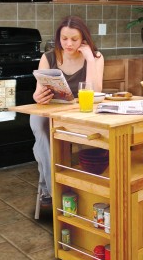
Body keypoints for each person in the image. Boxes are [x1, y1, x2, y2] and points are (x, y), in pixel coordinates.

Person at [30, 16, 104, 207]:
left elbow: (95, 92)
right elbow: (38, 92)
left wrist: (89, 58)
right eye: (64, 39)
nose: (68, 43)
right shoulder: (48, 57)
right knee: (40, 126)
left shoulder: (96, 57)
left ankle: (67, 188)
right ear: (58, 38)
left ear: (83, 39)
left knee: (93, 135)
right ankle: (53, 189)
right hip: (51, 109)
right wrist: (38, 97)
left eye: (74, 39)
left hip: (81, 112)